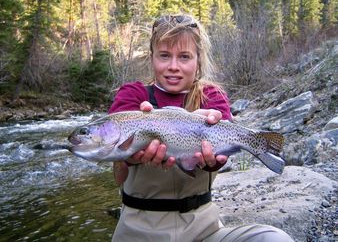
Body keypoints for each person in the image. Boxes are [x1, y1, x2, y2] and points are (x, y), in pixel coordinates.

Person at [108, 14, 293, 242]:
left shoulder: (211, 97)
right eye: (164, 56)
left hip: (204, 232)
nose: (173, 66)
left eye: (184, 57)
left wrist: (212, 159)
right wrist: (133, 156)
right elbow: (116, 167)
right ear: (152, 57)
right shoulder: (132, 96)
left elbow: (219, 160)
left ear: (198, 60)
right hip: (137, 234)